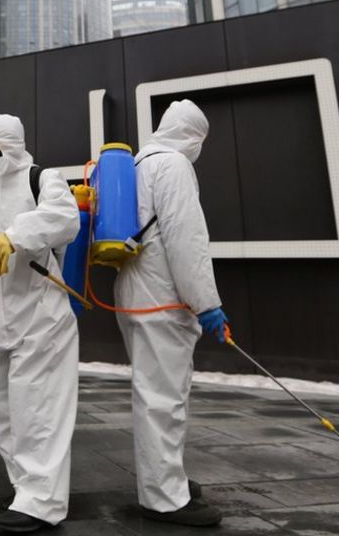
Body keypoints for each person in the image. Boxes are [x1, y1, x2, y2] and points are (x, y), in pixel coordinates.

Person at [0, 114, 81, 533]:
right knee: (2, 411)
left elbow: (66, 219)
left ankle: (42, 502)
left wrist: (16, 235)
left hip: (41, 318)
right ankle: (26, 488)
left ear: (12, 145)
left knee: (37, 411)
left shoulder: (42, 179)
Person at [114, 99, 227, 527]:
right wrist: (207, 303)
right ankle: (164, 497)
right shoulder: (174, 166)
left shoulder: (136, 165)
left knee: (153, 395)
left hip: (133, 295)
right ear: (192, 135)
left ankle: (164, 480)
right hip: (162, 299)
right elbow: (186, 240)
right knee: (164, 400)